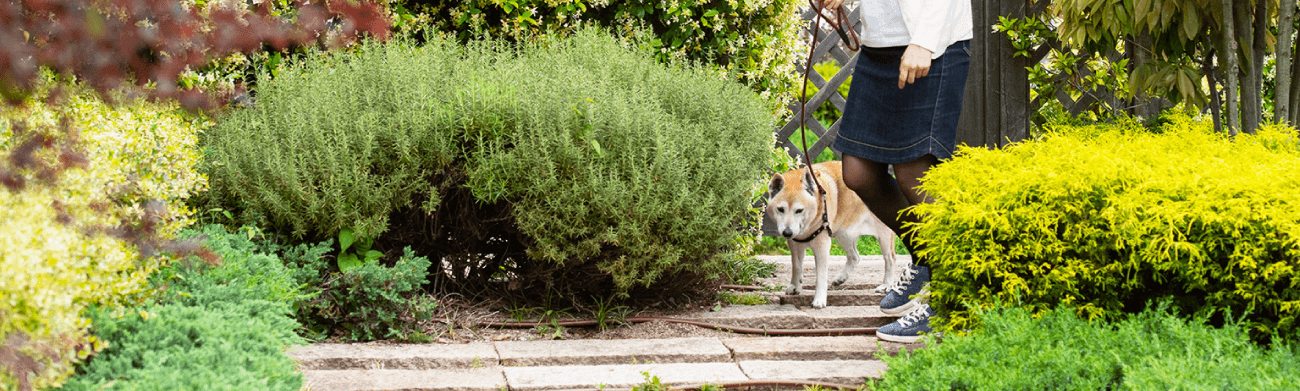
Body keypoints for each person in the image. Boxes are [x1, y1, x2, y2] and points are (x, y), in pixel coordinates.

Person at [819, 0, 973, 343]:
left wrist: (925, 41)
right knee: (858, 172)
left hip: (932, 45)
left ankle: (950, 303)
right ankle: (927, 258)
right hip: (880, 46)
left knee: (914, 172)